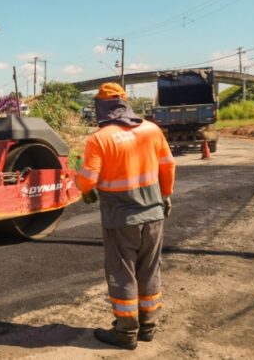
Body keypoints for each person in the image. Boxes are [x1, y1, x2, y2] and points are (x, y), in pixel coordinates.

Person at [77, 82, 175, 350]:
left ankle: (125, 333)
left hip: (120, 219)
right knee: (149, 269)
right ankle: (148, 326)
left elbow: (87, 180)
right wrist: (164, 195)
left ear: (101, 107)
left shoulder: (100, 138)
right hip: (154, 214)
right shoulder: (152, 130)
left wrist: (86, 191)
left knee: (122, 273)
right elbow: (168, 165)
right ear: (125, 102)